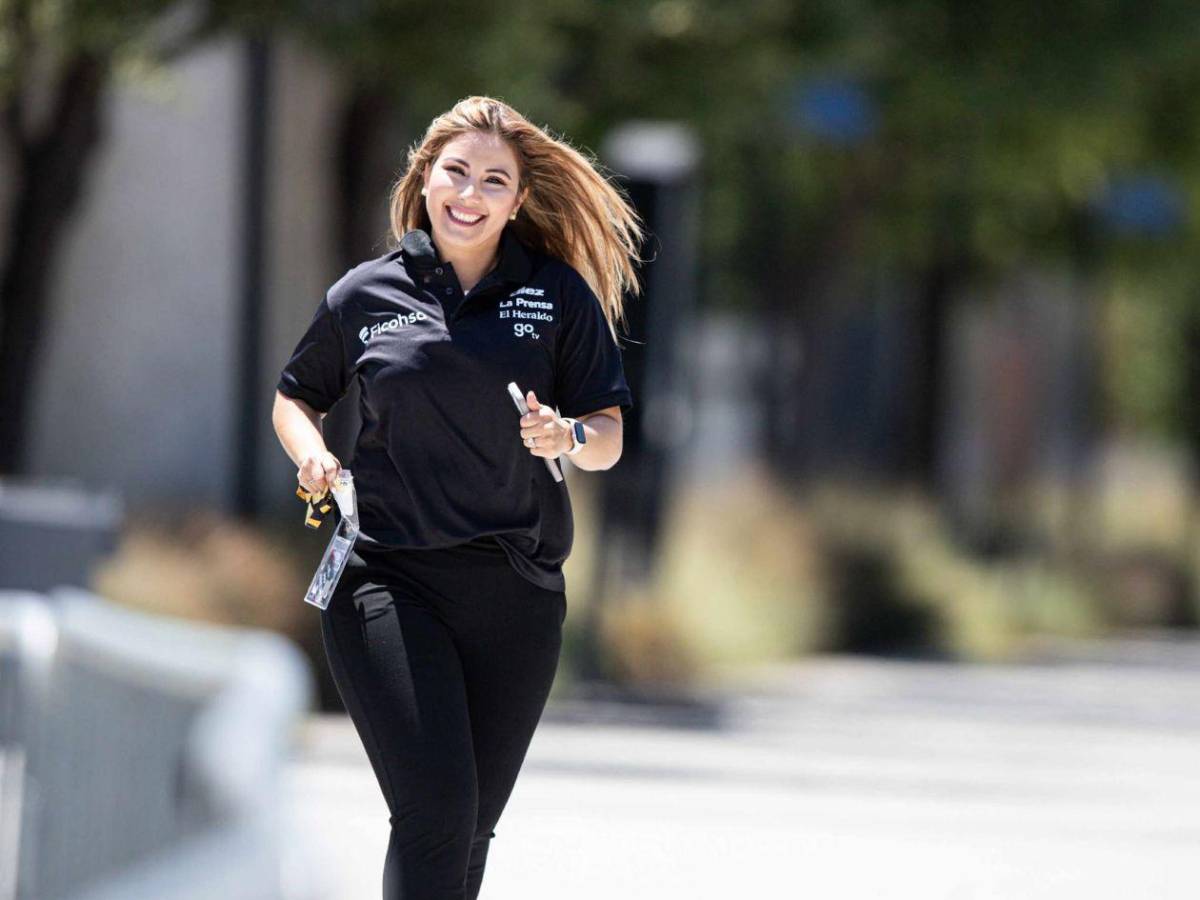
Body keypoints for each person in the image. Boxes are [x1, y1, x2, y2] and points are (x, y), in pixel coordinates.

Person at [271, 95, 643, 900]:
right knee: (437, 811)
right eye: (456, 173)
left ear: (518, 201)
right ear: (426, 177)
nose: (469, 195)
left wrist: (567, 438)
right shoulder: (364, 296)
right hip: (387, 579)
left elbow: (609, 434)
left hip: (518, 592)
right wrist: (312, 458)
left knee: (467, 826)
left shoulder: (557, 297)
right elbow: (295, 397)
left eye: (493, 181)